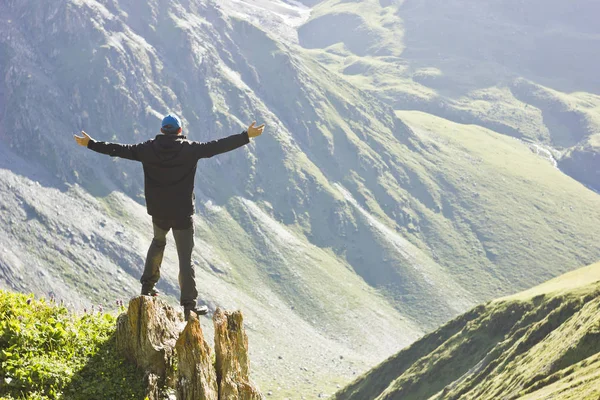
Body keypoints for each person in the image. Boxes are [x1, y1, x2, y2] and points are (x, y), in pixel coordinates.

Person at [74, 114, 265, 320]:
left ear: (162, 130)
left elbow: (119, 150)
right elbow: (217, 146)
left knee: (158, 242)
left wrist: (91, 144)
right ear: (180, 131)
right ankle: (189, 306)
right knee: (185, 257)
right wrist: (246, 135)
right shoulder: (190, 149)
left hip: (159, 212)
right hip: (182, 213)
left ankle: (147, 288)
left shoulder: (147, 149)